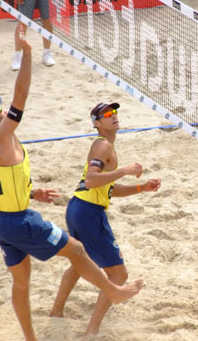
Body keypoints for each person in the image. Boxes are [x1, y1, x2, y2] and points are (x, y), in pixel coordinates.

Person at [0, 30, 143, 341]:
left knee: (22, 283)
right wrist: (26, 55)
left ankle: (31, 338)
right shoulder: (0, 138)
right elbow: (20, 96)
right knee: (77, 250)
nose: (2, 112)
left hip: (0, 221)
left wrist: (30, 192)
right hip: (20, 221)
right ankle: (114, 292)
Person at [50, 102, 161, 335]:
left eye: (115, 112)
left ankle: (56, 311)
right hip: (88, 212)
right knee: (119, 274)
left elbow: (106, 187)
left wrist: (141, 187)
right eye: (107, 114)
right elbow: (92, 180)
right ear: (97, 123)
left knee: (80, 263)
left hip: (78, 207)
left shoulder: (106, 146)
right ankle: (92, 331)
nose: (114, 116)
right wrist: (125, 170)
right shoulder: (102, 146)